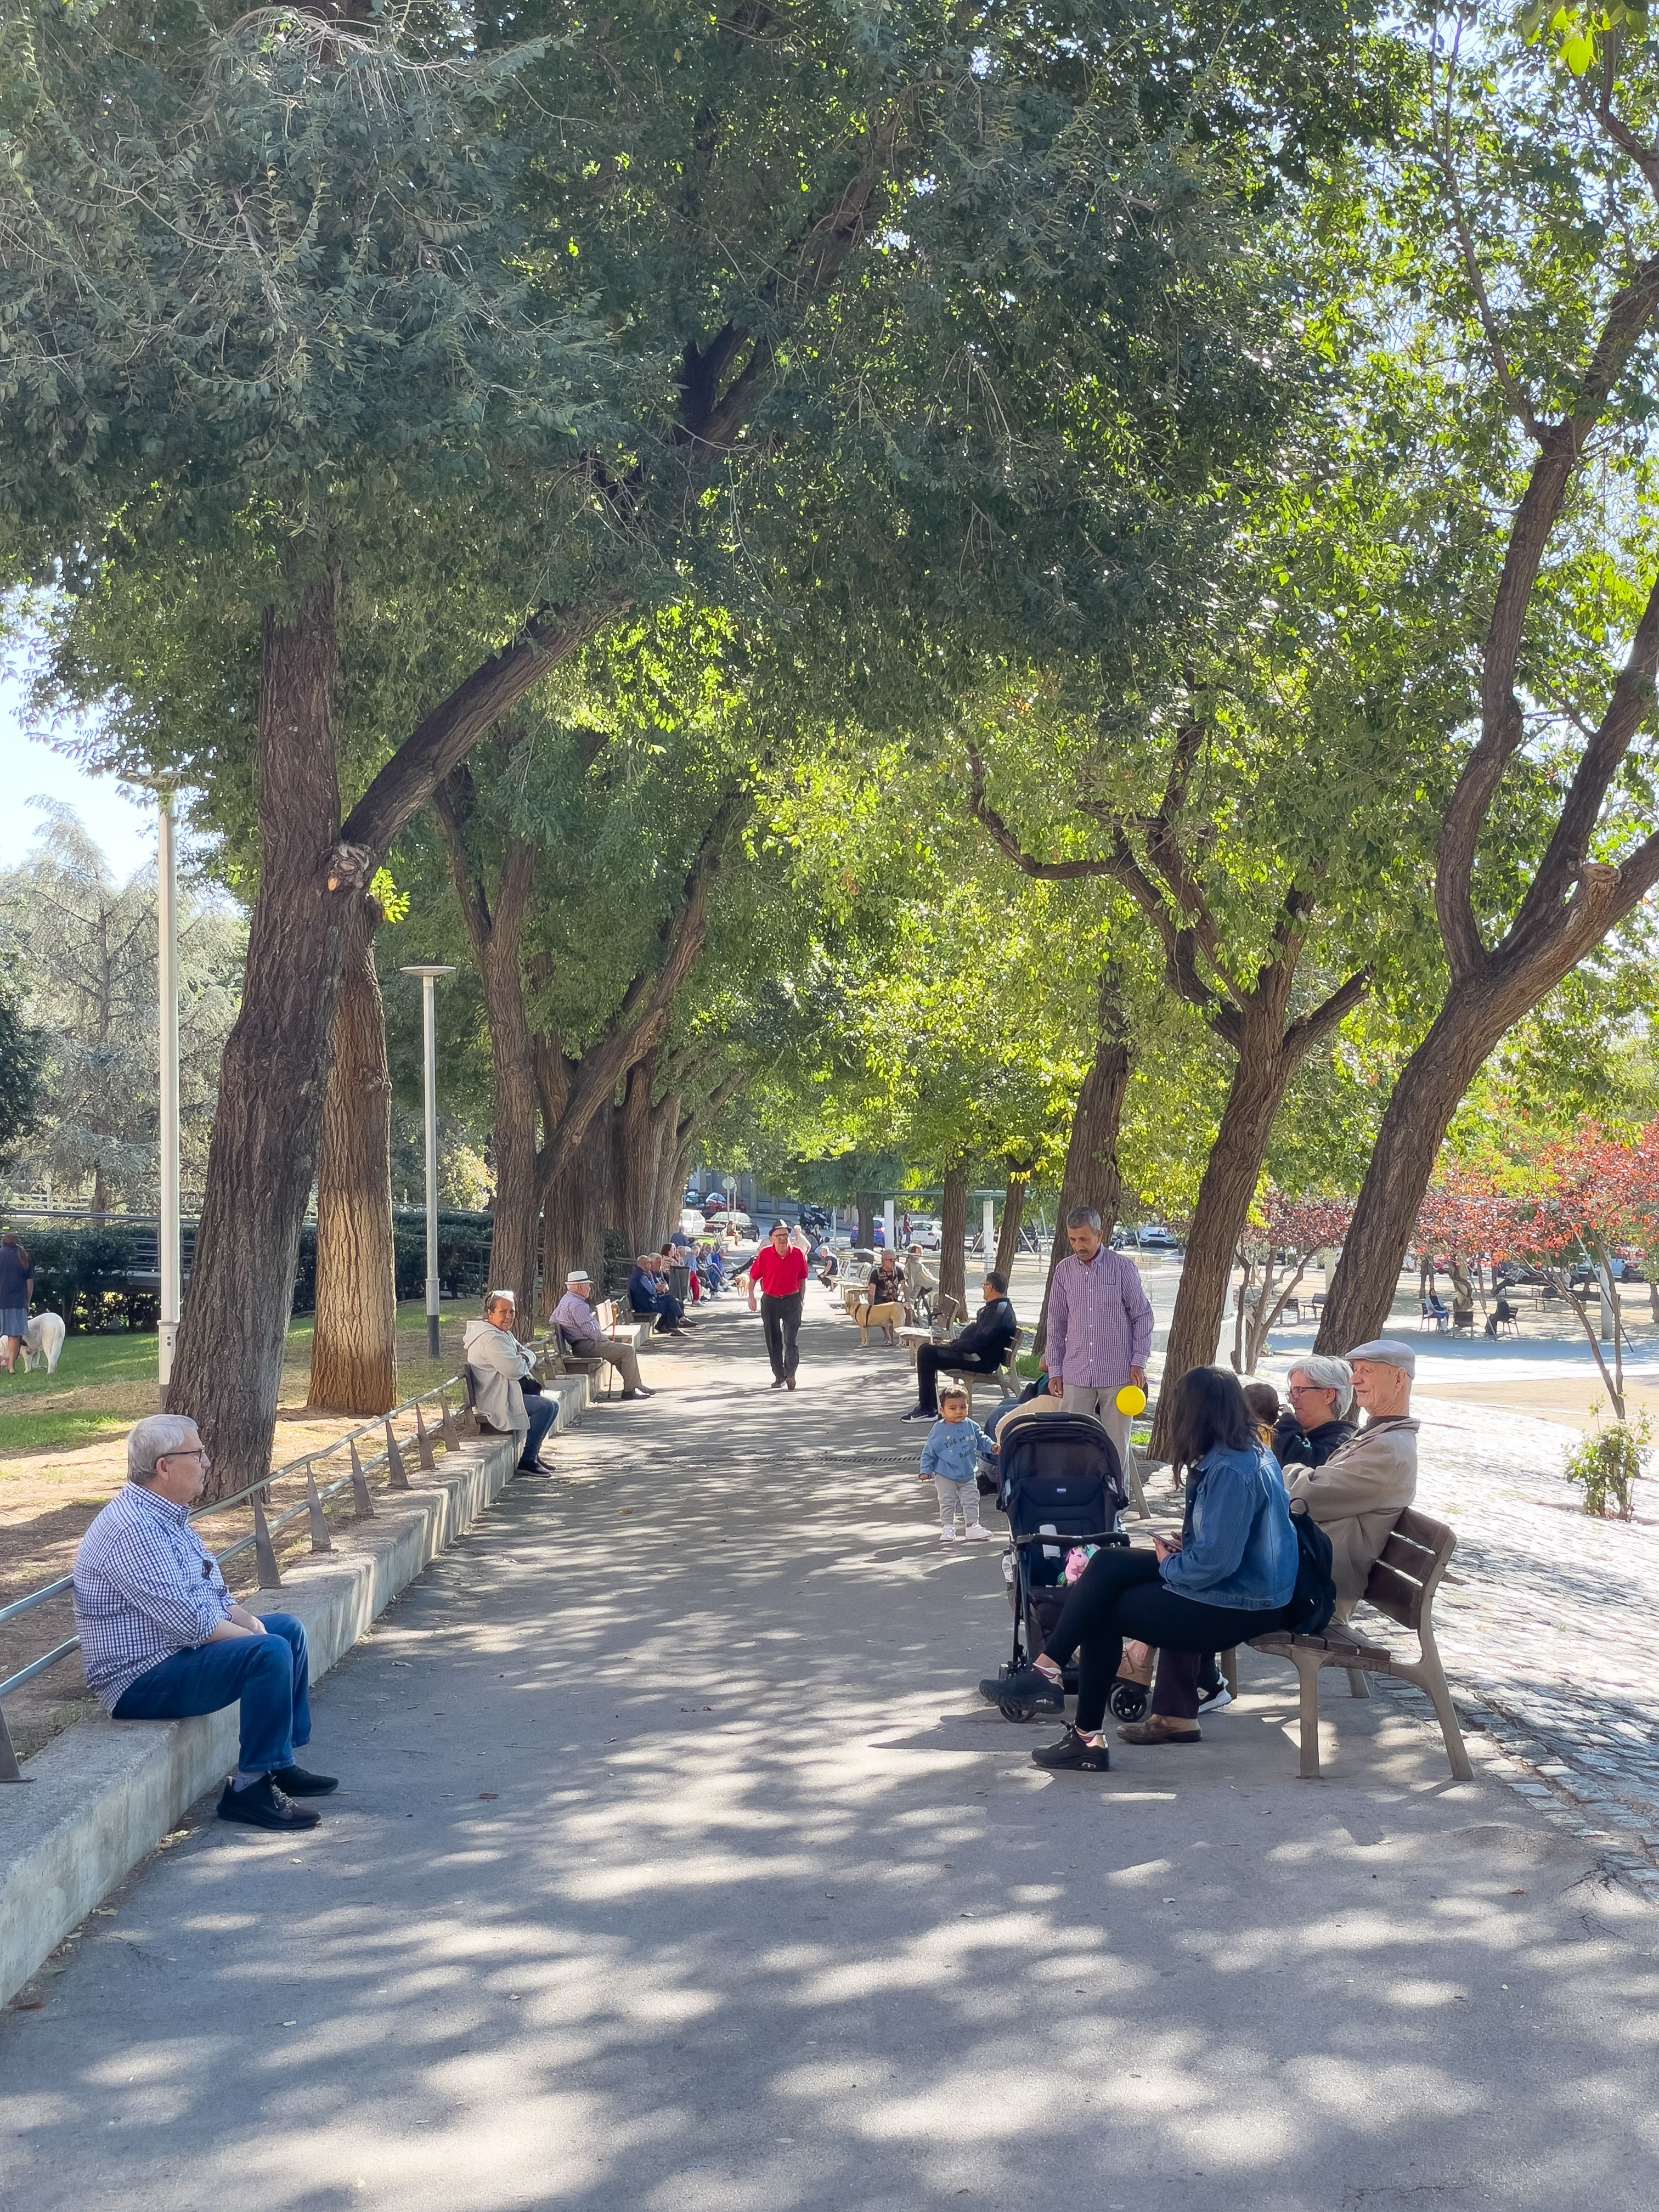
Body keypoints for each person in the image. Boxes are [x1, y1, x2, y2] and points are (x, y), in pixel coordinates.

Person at [983, 1366, 1297, 1766]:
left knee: (1103, 1612)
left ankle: (1083, 1734)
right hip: (1242, 1585)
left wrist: (1172, 1564)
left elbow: (1215, 1565)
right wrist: (1189, 1547)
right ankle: (1048, 1675)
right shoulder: (1246, 1451)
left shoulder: (1232, 1470)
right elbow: (1231, 1542)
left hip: (1241, 1603)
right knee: (1110, 1563)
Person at [74, 1415, 336, 1832]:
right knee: (269, 1651)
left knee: (285, 1629)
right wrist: (254, 1638)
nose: (208, 1462)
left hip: (176, 1655)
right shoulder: (132, 1529)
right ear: (164, 1466)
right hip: (137, 1680)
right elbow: (190, 1623)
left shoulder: (167, 1517)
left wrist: (250, 1621)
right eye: (197, 1454)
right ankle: (249, 1790)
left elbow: (213, 1594)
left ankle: (278, 1761)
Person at [1284, 1337, 1419, 1620]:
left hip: (1315, 1593)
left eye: (1367, 1371)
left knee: (1188, 1595)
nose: (1355, 1379)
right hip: (1304, 1571)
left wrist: (1280, 1471)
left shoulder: (1389, 1449)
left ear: (1399, 1378)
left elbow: (1307, 1497)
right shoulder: (1378, 1435)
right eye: (1356, 1370)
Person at [1043, 1206, 1155, 1474]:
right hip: (1076, 1373)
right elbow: (1055, 1324)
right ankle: (1075, 1500)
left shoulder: (1122, 1269)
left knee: (1116, 1447)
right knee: (1071, 1443)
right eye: (1072, 1239)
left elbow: (1143, 1316)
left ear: (1100, 1234)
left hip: (1117, 1373)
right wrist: (1055, 1370)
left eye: (1084, 1239)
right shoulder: (1064, 1271)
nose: (1077, 1246)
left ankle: (1116, 1506)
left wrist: (1138, 1361)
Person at [901, 1270, 1018, 1419]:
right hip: (974, 1355)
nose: (983, 1287)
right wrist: (954, 1344)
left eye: (984, 1284)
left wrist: (953, 1347)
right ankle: (928, 1406)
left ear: (991, 1287)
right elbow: (977, 1336)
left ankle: (927, 1409)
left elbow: (980, 1341)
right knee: (928, 1351)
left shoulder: (999, 1311)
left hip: (980, 1361)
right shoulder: (996, 1308)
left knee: (927, 1353)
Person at [464, 1291, 556, 1471]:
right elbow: (514, 1370)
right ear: (490, 1313)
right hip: (495, 1400)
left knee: (553, 1406)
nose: (509, 1316)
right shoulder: (491, 1338)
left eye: (512, 1312)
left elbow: (525, 1352)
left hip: (506, 1392)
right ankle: (528, 1460)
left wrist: (524, 1357)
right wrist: (525, 1358)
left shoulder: (501, 1333)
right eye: (503, 1312)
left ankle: (533, 1455)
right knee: (546, 1407)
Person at [550, 1271, 653, 1401]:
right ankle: (630, 1390)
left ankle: (635, 1386)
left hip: (581, 1344)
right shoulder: (578, 1305)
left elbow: (552, 1319)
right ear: (580, 1287)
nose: (590, 1289)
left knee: (620, 1353)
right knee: (628, 1351)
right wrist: (605, 1339)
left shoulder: (566, 1300)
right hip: (586, 1345)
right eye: (588, 1285)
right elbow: (591, 1332)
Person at [919, 1385, 997, 1543]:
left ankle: (972, 1526)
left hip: (967, 1473)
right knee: (947, 1501)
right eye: (953, 1408)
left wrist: (991, 1446)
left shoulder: (971, 1425)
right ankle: (948, 1527)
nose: (959, 1411)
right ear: (943, 1410)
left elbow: (980, 1439)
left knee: (972, 1500)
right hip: (945, 1474)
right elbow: (929, 1451)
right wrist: (925, 1469)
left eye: (963, 1407)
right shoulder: (938, 1430)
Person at [749, 1217, 810, 1387]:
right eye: (780, 1235)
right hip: (770, 1301)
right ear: (772, 1238)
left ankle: (791, 1374)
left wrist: (800, 1300)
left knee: (791, 1340)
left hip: (792, 1300)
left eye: (786, 1234)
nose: (783, 1238)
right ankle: (780, 1375)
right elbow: (753, 1277)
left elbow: (802, 1279)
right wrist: (751, 1296)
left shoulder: (798, 1254)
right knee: (773, 1340)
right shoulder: (765, 1254)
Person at [1271, 1356, 1357, 1470]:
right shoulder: (1302, 1434)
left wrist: (1287, 1424)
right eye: (1291, 1392)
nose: (1291, 1400)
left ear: (1328, 1396)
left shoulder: (1341, 1443)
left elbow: (1293, 1463)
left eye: (1299, 1391)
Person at [628, 1254, 687, 1334]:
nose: (650, 1265)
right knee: (669, 1302)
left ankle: (666, 1326)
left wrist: (653, 1280)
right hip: (645, 1304)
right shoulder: (642, 1276)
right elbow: (652, 1290)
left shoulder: (640, 1273)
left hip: (646, 1302)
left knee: (670, 1300)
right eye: (649, 1263)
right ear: (644, 1264)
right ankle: (677, 1323)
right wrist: (657, 1286)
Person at [857, 1251, 907, 1346]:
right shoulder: (877, 1273)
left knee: (908, 1311)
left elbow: (904, 1285)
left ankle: (907, 1337)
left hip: (895, 1300)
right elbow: (872, 1290)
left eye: (895, 1260)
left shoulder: (898, 1271)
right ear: (884, 1261)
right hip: (880, 1301)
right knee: (883, 1311)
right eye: (891, 1260)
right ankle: (888, 1337)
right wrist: (871, 1305)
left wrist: (907, 1298)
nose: (893, 1262)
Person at [0, 1228, 32, 1375]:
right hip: (17, 1302)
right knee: (14, 1335)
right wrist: (28, 1301)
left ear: (4, 1244)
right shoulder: (24, 1257)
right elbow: (29, 1282)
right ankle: (11, 1367)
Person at [904, 1243, 938, 1323]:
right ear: (913, 1253)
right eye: (919, 1251)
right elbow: (926, 1278)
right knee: (940, 1288)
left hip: (921, 1285)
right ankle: (936, 1310)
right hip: (923, 1285)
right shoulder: (916, 1266)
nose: (921, 1253)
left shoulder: (910, 1263)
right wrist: (937, 1282)